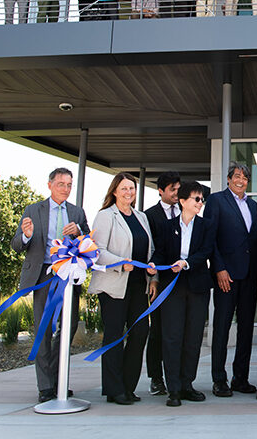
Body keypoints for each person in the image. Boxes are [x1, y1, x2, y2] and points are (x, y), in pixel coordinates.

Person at [10, 168, 89, 403]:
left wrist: (79, 233)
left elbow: (88, 241)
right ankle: (45, 387)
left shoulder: (77, 211)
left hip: (69, 277)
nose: (65, 189)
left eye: (69, 185)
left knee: (70, 327)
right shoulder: (33, 210)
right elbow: (16, 245)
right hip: (44, 276)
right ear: (50, 185)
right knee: (44, 330)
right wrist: (26, 235)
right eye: (61, 184)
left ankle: (58, 380)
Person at [87, 173, 157, 405]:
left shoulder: (141, 217)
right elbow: (97, 250)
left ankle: (128, 386)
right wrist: (119, 262)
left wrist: (152, 269)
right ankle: (114, 389)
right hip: (113, 286)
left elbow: (150, 248)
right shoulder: (105, 216)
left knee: (139, 334)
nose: (129, 193)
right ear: (115, 191)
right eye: (124, 188)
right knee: (114, 337)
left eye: (132, 189)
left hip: (138, 285)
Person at [150, 181, 215, 407]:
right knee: (172, 337)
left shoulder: (206, 226)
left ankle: (188, 385)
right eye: (196, 199)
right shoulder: (167, 227)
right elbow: (160, 253)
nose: (200, 203)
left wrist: (186, 263)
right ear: (183, 201)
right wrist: (153, 265)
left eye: (202, 200)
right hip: (172, 288)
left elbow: (206, 251)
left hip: (197, 287)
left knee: (193, 337)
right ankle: (173, 389)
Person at [205, 162, 257, 397]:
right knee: (222, 328)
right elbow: (210, 238)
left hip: (249, 276)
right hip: (226, 276)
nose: (241, 180)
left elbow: (254, 242)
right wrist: (219, 269)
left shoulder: (253, 205)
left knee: (246, 329)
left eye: (245, 177)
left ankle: (241, 378)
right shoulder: (216, 200)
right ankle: (219, 379)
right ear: (228, 179)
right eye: (237, 176)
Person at [143, 170, 183, 396]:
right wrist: (154, 280)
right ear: (161, 191)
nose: (177, 194)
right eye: (172, 190)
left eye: (179, 189)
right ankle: (156, 378)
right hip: (160, 280)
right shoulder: (150, 215)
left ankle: (177, 376)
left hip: (182, 279)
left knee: (176, 332)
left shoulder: (186, 210)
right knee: (157, 330)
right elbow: (151, 251)